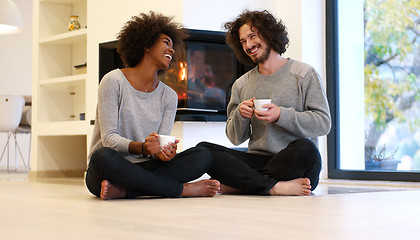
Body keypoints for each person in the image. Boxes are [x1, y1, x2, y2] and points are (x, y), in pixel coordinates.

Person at [85, 11, 220, 200]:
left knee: (203, 155)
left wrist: (164, 153)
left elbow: (159, 150)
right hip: (110, 168)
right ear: (146, 44)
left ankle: (126, 191)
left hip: (145, 166)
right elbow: (109, 139)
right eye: (166, 42)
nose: (172, 50)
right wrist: (142, 147)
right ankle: (181, 190)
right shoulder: (113, 81)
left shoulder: (169, 96)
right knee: (102, 156)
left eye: (173, 46)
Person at [197, 10, 331, 196]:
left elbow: (323, 124)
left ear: (269, 34)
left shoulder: (304, 74)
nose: (249, 45)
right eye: (243, 41)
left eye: (252, 36)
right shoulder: (242, 84)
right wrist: (241, 116)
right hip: (258, 160)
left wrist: (280, 115)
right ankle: (273, 187)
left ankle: (240, 184)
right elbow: (235, 138)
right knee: (204, 150)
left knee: (305, 148)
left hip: (294, 161)